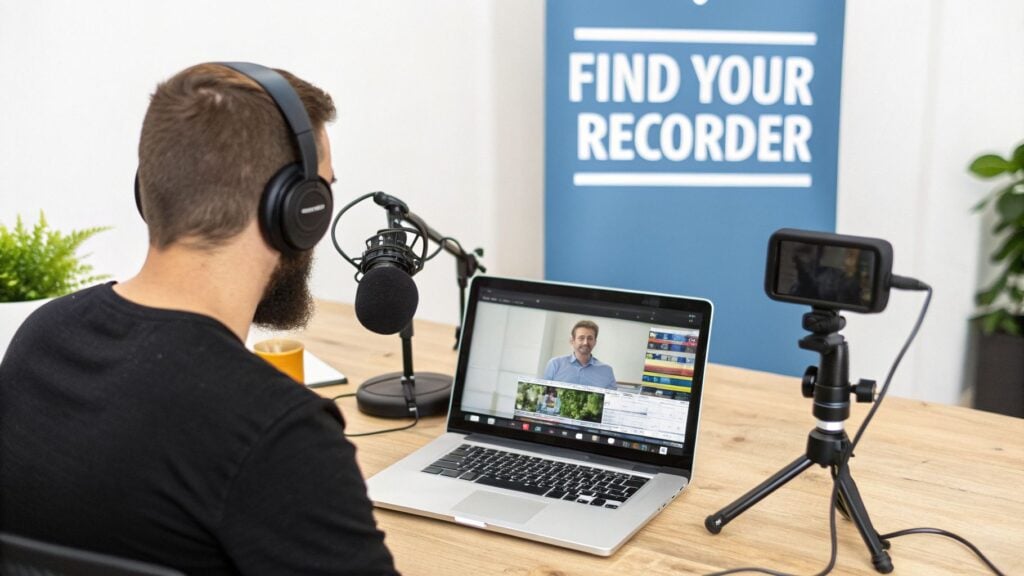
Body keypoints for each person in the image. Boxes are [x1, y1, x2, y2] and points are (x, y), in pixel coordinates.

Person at [0, 63, 398, 575]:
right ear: (297, 210)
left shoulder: (43, 339)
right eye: (323, 189)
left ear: (152, 191)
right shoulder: (276, 432)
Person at [543, 320, 617, 389]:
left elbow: (613, 400)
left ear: (595, 342)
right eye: (581, 338)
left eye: (590, 338)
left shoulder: (607, 371)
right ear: (572, 341)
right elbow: (544, 394)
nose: (585, 342)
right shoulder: (555, 364)